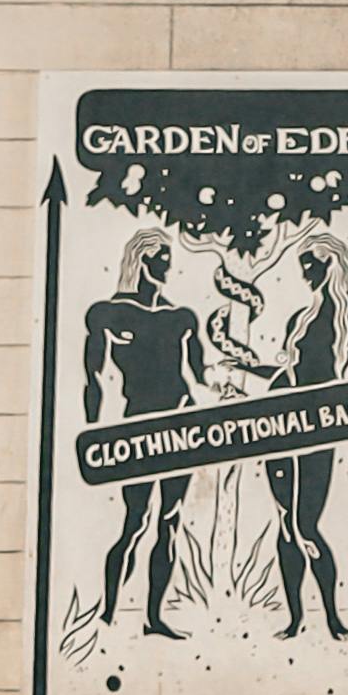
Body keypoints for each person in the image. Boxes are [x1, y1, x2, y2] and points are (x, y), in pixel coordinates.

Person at [78, 227, 208, 641]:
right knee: (134, 522)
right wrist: (94, 431)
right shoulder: (110, 314)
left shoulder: (181, 318)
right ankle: (109, 611)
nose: (168, 267)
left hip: (181, 424)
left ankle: (154, 617)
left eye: (170, 259)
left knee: (169, 521)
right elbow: (93, 376)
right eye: (161, 258)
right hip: (138, 425)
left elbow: (201, 376)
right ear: (142, 261)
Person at [263, 238, 348, 641]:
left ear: (330, 263)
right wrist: (246, 369)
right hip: (280, 425)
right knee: (285, 523)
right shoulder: (299, 317)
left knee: (305, 524)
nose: (304, 274)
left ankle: (331, 615)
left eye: (309, 265)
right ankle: (295, 619)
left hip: (322, 426)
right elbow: (285, 373)